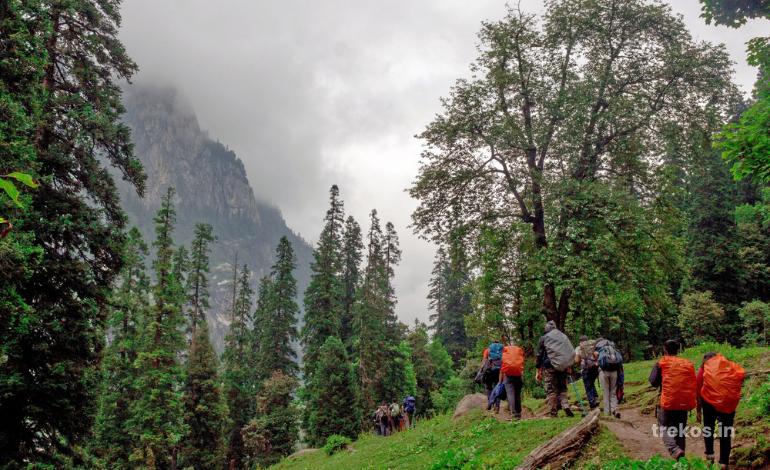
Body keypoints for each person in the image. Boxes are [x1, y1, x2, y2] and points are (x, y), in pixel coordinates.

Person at [649, 340, 697, 461]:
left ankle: (674, 450)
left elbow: (653, 382)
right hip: (684, 402)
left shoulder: (661, 363)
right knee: (680, 430)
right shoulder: (687, 363)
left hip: (668, 402)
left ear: (665, 350)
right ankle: (681, 460)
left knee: (663, 427)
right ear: (678, 350)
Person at [697, 352, 745, 468]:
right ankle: (724, 462)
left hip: (708, 402)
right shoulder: (728, 366)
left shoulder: (704, 369)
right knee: (725, 432)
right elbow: (740, 378)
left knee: (709, 427)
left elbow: (698, 388)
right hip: (728, 403)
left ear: (706, 360)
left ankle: (709, 456)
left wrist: (698, 409)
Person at [536, 321, 574, 417]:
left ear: (546, 329)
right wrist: (569, 366)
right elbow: (568, 352)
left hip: (549, 367)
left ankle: (553, 412)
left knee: (551, 389)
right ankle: (565, 405)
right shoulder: (563, 337)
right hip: (563, 367)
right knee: (563, 388)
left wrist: (538, 369)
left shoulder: (544, 338)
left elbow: (539, 355)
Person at [595, 337, 622, 418]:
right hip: (614, 372)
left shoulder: (598, 348)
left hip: (603, 372)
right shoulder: (612, 346)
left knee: (606, 392)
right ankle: (615, 409)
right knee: (613, 392)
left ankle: (607, 413)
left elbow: (597, 361)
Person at [499, 341, 525, 420]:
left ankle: (513, 413)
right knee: (517, 394)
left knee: (510, 394)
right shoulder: (519, 351)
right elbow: (522, 364)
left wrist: (500, 382)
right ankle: (519, 413)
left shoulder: (505, 353)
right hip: (518, 375)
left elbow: (502, 369)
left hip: (508, 376)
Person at [574, 335, 599, 409]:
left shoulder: (579, 348)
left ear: (580, 341)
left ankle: (592, 403)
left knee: (588, 386)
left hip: (586, 368)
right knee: (591, 383)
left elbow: (577, 360)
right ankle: (596, 398)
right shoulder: (592, 346)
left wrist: (578, 364)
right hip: (594, 367)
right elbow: (597, 354)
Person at [483, 337, 505, 411]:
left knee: (488, 387)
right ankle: (497, 406)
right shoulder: (502, 350)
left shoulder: (488, 350)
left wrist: (482, 371)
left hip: (490, 371)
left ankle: (489, 404)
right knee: (498, 386)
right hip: (500, 371)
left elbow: (484, 361)